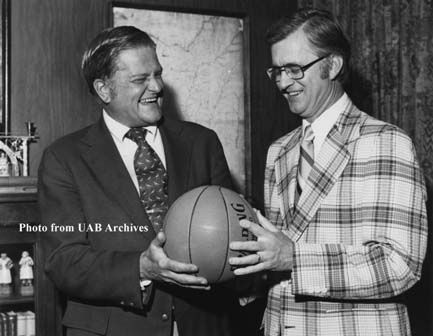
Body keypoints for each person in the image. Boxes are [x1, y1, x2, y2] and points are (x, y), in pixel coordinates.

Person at [229, 8, 428, 336]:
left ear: (332, 65)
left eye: (294, 69)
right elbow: (276, 255)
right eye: (276, 71)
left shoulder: (387, 142)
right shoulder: (279, 150)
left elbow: (399, 265)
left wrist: (293, 258)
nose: (282, 83)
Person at [38, 26, 241, 336]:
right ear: (104, 90)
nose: (157, 86)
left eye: (157, 74)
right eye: (139, 79)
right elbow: (63, 261)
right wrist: (141, 268)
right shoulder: (63, 159)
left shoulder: (202, 142)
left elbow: (232, 234)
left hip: (203, 324)